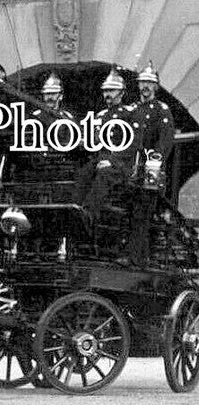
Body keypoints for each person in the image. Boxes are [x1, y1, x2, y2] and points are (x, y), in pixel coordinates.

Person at [125, 62, 175, 265]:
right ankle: (133, 255)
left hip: (149, 171)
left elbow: (164, 144)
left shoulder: (162, 111)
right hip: (130, 170)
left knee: (143, 215)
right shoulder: (133, 109)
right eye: (143, 82)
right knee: (131, 214)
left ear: (155, 87)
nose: (145, 86)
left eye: (149, 83)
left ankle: (139, 259)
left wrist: (152, 165)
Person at [73, 67, 134, 222]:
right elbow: (94, 141)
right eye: (106, 90)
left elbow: (133, 144)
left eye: (112, 90)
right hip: (101, 159)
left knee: (104, 173)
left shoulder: (129, 114)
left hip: (121, 164)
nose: (107, 94)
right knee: (83, 172)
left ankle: (89, 213)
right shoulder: (100, 116)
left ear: (122, 93)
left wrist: (112, 161)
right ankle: (75, 208)